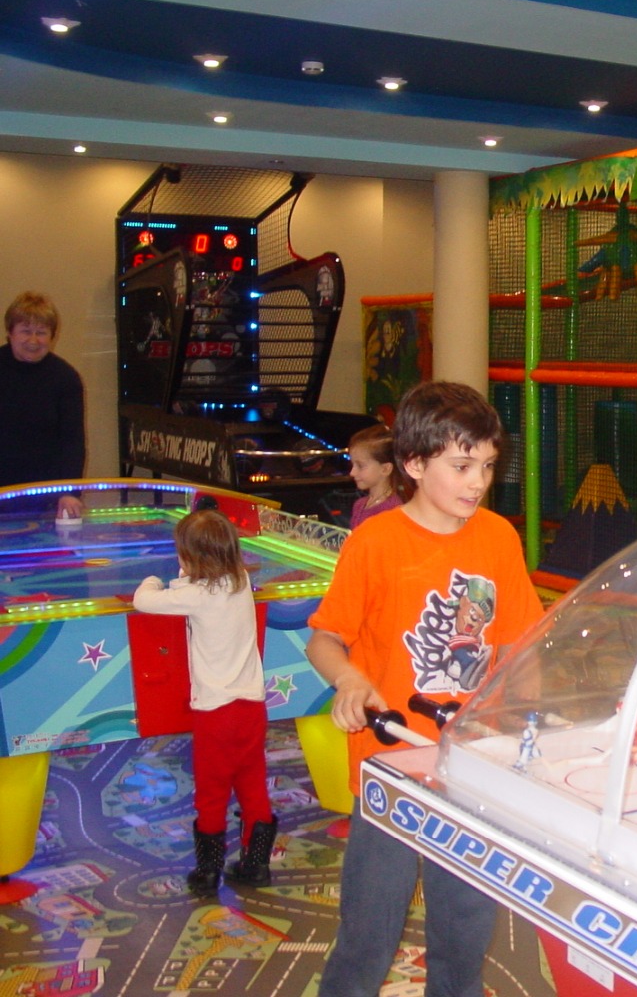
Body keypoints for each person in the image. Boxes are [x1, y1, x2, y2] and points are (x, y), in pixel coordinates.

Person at [306, 380, 544, 997]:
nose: (478, 481)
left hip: (469, 766)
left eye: (487, 465)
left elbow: (520, 647)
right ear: (413, 464)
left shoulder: (498, 537)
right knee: (368, 932)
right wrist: (349, 678)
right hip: (391, 769)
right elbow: (324, 639)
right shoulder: (375, 542)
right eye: (462, 466)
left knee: (464, 933)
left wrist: (527, 723)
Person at [132, 507, 274, 896]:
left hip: (215, 712)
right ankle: (256, 865)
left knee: (212, 792)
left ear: (190, 557)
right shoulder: (239, 581)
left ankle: (208, 872)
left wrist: (153, 578)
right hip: (251, 707)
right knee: (252, 783)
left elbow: (144, 600)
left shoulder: (195, 595)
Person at [0, 292, 85, 517]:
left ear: (52, 336)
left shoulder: (66, 378)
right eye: (25, 331)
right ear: (10, 332)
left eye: (41, 332)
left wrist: (69, 492)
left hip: (46, 497)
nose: (33, 340)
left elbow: (72, 442)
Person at [347, 423, 403, 530]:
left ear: (385, 469)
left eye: (360, 466)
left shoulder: (391, 511)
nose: (352, 473)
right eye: (352, 464)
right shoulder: (359, 504)